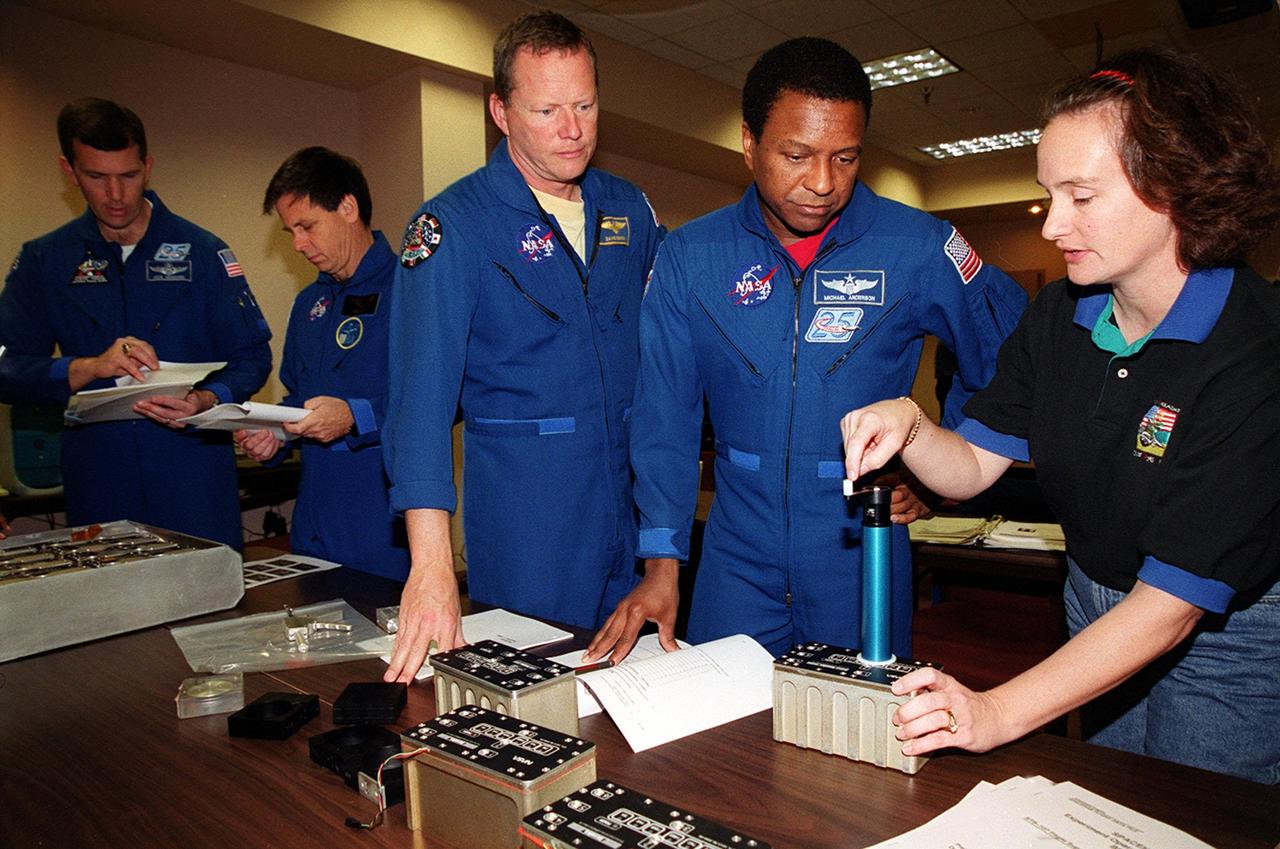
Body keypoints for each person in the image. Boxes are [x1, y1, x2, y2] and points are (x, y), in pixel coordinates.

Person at [839, 48, 1280, 784]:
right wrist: (911, 423)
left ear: (1174, 186)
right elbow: (975, 466)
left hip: (1224, 637)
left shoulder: (1254, 349)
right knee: (1112, 803)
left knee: (1196, 813)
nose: (1051, 226)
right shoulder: (1060, 316)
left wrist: (997, 713)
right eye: (1050, 194)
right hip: (1094, 601)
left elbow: (1173, 604)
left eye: (1080, 195)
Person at [585, 38, 1026, 663]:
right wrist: (661, 565)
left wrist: (942, 475)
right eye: (797, 155)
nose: (822, 183)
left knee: (856, 746)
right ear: (748, 142)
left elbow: (1012, 361)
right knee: (718, 745)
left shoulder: (919, 246)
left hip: (859, 548)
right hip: (735, 556)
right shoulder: (691, 257)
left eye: (845, 158)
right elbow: (664, 419)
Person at [382, 11, 664, 682]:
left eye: (586, 105)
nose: (572, 129)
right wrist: (430, 563)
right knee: (533, 704)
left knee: (640, 703)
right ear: (501, 112)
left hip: (630, 510)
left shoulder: (632, 212)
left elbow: (676, 364)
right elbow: (419, 407)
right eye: (545, 109)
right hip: (530, 525)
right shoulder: (453, 226)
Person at [0, 98, 272, 548]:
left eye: (127, 176)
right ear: (70, 172)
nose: (115, 195)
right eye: (97, 177)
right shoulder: (45, 259)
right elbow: (7, 369)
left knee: (208, 607)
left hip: (193, 479)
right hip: (99, 482)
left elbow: (252, 357)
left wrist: (206, 398)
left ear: (147, 167)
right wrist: (87, 368)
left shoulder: (202, 251)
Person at [234, 147, 409, 579]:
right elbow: (298, 396)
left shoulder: (412, 289)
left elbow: (446, 399)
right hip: (313, 522)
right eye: (290, 230)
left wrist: (355, 416)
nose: (297, 244)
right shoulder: (309, 303)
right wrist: (274, 435)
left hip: (384, 523)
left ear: (348, 207)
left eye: (307, 226)